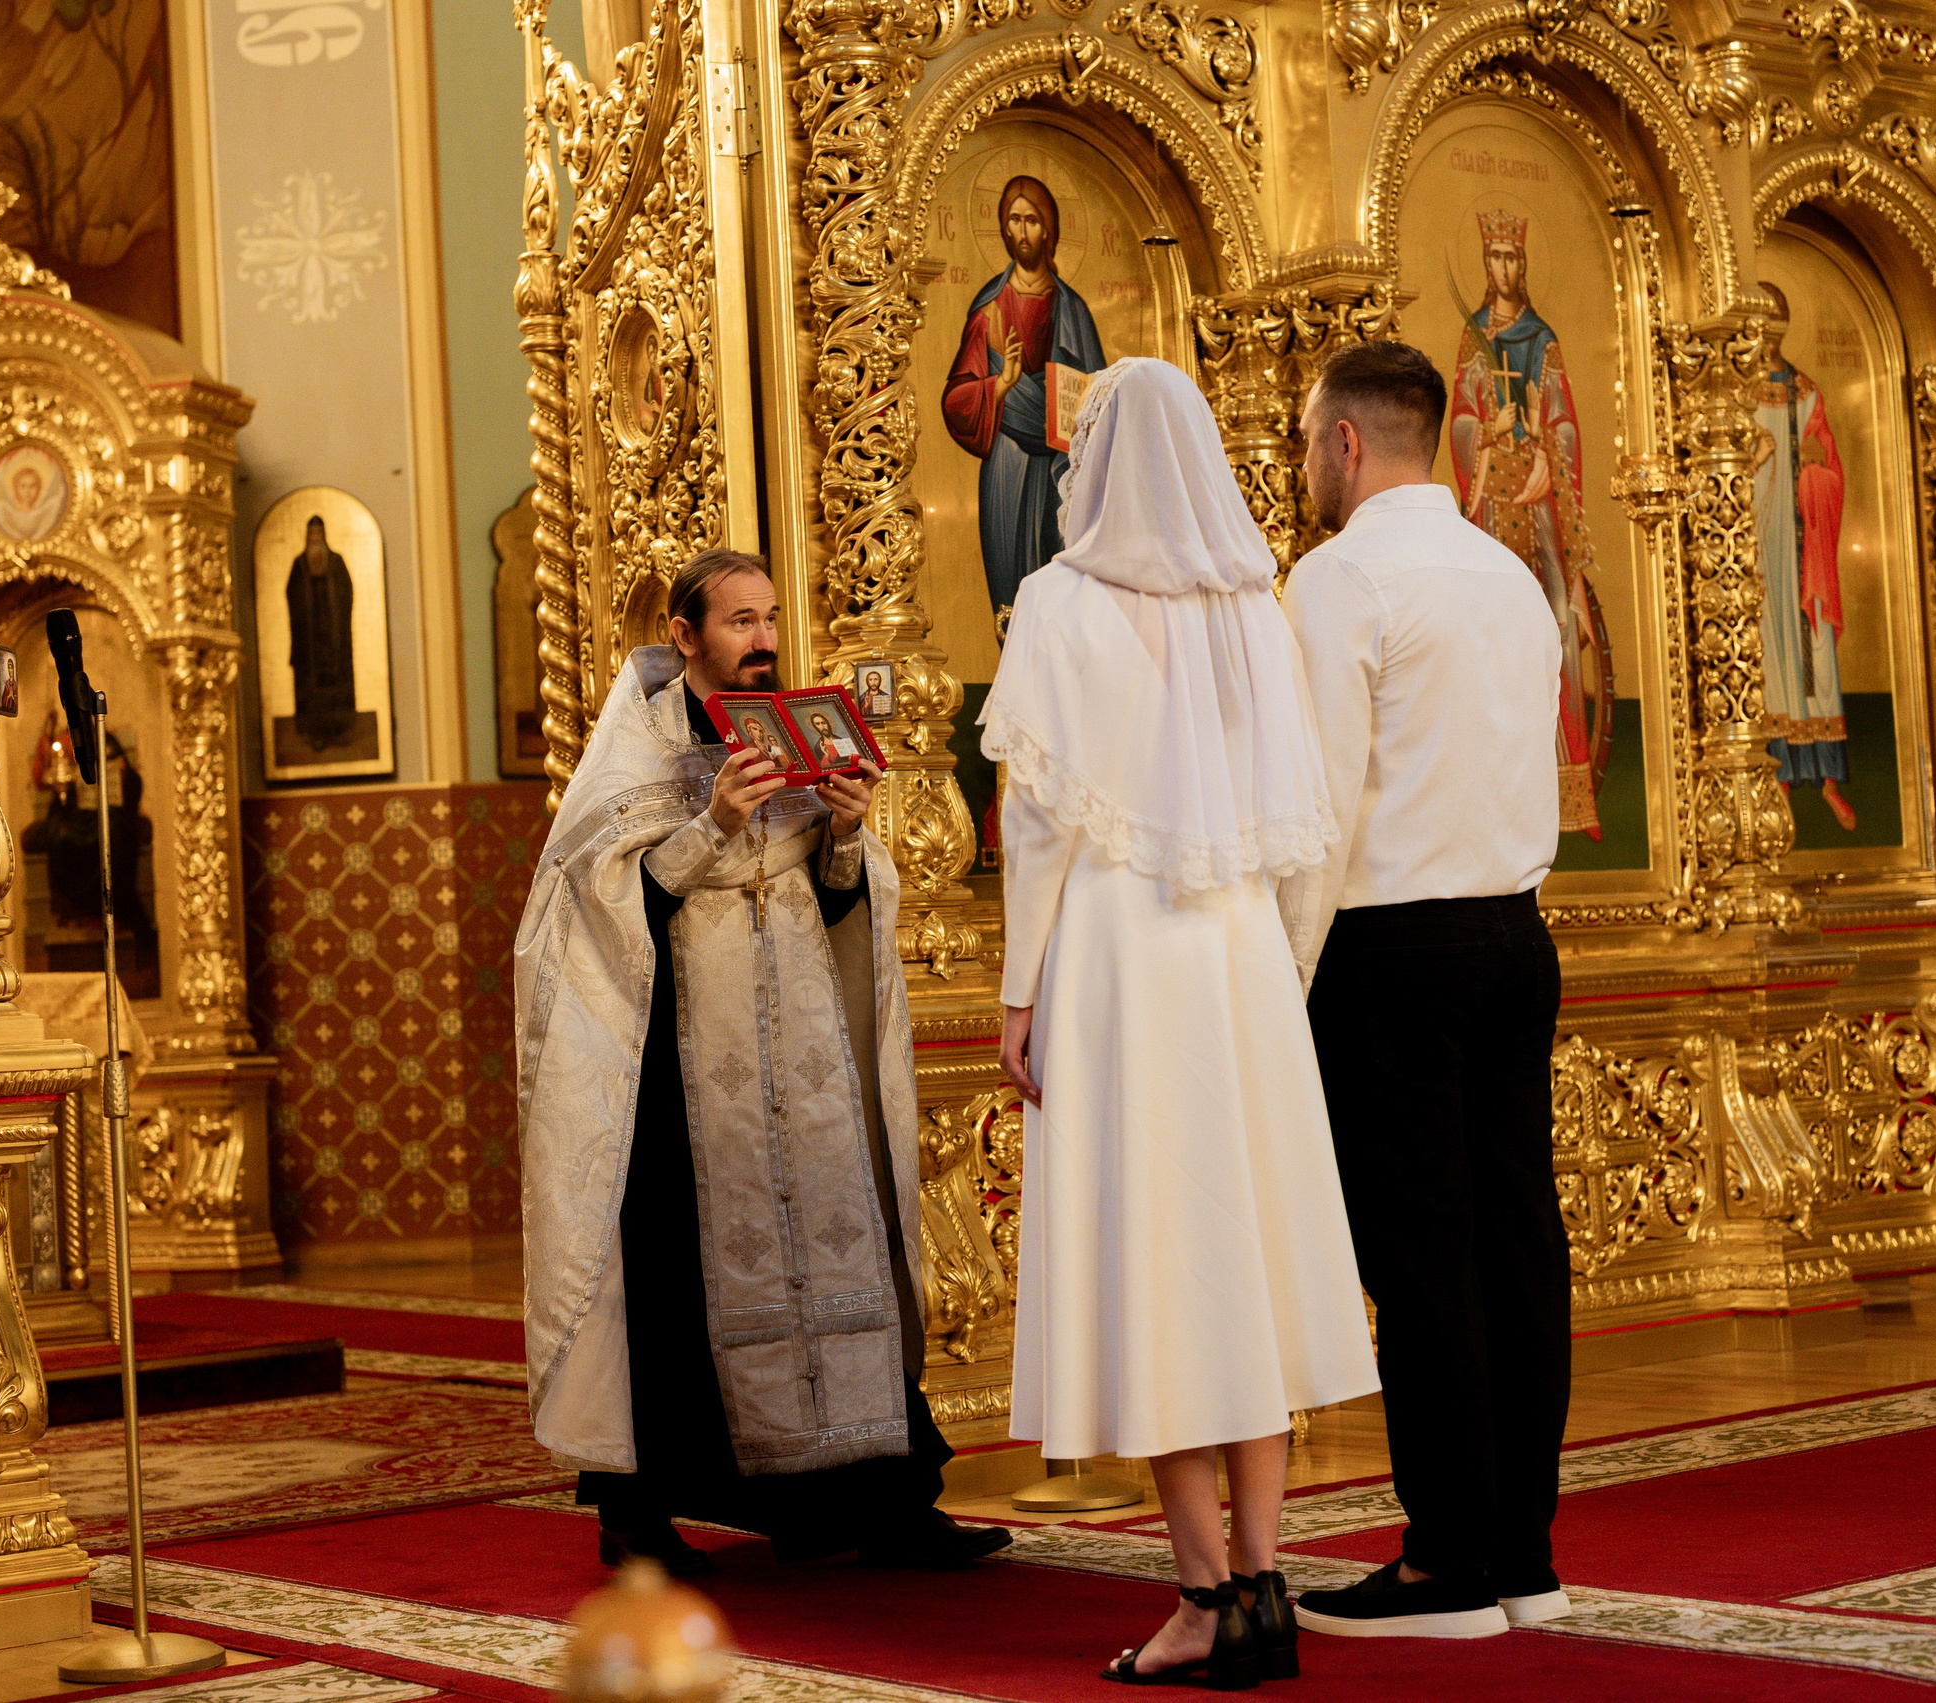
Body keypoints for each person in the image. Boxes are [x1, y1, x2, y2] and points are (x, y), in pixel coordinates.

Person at [986, 358, 1379, 1685]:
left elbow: (1035, 819)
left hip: (1113, 946)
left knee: (1158, 1268)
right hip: (1236, 955)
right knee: (1241, 1268)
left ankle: (1205, 1592)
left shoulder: (1054, 601)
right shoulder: (1254, 609)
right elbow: (1304, 821)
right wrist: (1277, 968)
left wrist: (1016, 989)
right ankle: (1266, 1578)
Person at [515, 548, 1010, 1574]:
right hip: (680, 1071)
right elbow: (598, 909)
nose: (763, 639)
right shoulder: (632, 753)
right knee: (667, 1278)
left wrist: (842, 832)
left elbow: (840, 902)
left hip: (805, 1059)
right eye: (739, 621)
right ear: (685, 636)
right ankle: (639, 1517)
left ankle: (885, 1502)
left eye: (770, 617)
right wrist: (714, 825)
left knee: (847, 1246)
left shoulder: (797, 730)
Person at [1280, 342, 1570, 1639]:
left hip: (1391, 948)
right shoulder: (1507, 570)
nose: (1301, 469)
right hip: (1515, 933)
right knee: (1518, 1242)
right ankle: (1521, 1547)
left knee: (1424, 1255)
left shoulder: (1340, 577)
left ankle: (1445, 1558)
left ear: (1345, 444)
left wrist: (1281, 979)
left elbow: (1320, 803)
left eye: (1303, 444)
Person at [1449, 209, 1603, 840]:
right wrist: (1487, 431)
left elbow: (1566, 423)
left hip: (1540, 500)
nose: (1505, 268)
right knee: (1491, 634)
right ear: (1486, 264)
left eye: (1514, 257)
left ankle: (1572, 789)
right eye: (1496, 257)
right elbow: (1459, 418)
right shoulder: (1472, 339)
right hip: (1493, 506)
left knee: (1558, 623)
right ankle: (1494, 791)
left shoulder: (1543, 338)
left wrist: (1544, 438)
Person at [941, 174, 1108, 615]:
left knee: (1063, 569)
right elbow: (957, 399)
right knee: (1010, 579)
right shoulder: (988, 307)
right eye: (1013, 220)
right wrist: (999, 385)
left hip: (1061, 462)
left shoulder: (1072, 309)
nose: (1021, 231)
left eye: (1031, 220)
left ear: (1047, 228)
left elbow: (1101, 402)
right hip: (1008, 459)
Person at [1753, 284, 1856, 833]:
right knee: (1772, 655)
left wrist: (1815, 472)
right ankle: (1781, 780)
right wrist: (1760, 458)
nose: (1770, 327)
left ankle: (1830, 781)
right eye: (1761, 317)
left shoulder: (1807, 392)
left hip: (1805, 546)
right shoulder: (1739, 390)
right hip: (1762, 547)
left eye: (1779, 316)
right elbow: (1724, 472)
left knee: (1815, 652)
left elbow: (1832, 469)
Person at [285, 515, 359, 751]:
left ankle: (340, 730)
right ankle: (313, 732)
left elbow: (347, 592)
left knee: (337, 683)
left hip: (334, 638)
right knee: (310, 686)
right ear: (308, 537)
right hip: (309, 641)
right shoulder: (300, 565)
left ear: (324, 536)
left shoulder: (336, 562)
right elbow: (292, 595)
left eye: (319, 534)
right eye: (312, 535)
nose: (316, 539)